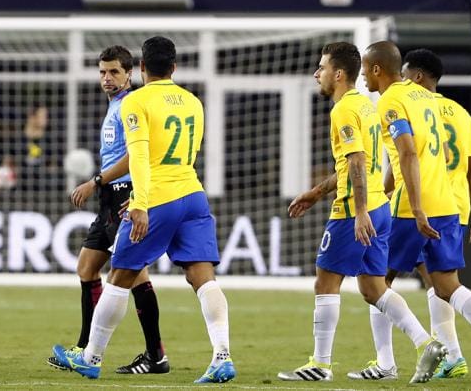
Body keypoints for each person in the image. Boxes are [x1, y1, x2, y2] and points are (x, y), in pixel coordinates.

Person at [52, 36, 236, 383]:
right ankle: (222, 356)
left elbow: (139, 156)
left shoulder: (136, 102)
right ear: (175, 67)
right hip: (193, 195)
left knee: (119, 277)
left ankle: (91, 357)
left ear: (140, 68)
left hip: (157, 197)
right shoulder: (193, 102)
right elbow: (192, 151)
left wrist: (139, 203)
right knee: (203, 278)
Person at [278, 42, 446, 384]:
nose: (317, 74)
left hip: (356, 209)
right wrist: (315, 192)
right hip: (380, 208)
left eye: (322, 68)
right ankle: (426, 342)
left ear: (339, 74)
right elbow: (355, 162)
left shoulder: (342, 111)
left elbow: (356, 162)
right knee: (373, 288)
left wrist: (358, 212)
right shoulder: (367, 107)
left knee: (325, 282)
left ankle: (320, 364)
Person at [356, 41, 471, 384]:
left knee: (375, 282)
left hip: (413, 204)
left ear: (376, 68)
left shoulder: (391, 100)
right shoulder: (429, 99)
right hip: (448, 202)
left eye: (364, 69)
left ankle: (392, 361)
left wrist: (414, 208)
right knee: (446, 285)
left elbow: (407, 154)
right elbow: (430, 155)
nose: (362, 76)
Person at [46, 45, 168, 375]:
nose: (107, 78)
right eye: (102, 72)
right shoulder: (115, 104)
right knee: (87, 268)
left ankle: (156, 355)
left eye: (114, 71)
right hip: (109, 200)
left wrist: (95, 181)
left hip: (125, 195)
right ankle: (84, 347)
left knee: (135, 273)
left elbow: (134, 155)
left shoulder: (130, 103)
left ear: (130, 73)